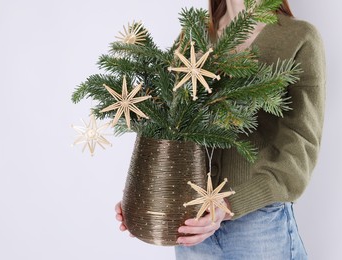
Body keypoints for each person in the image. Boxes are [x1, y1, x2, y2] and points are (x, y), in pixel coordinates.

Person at [115, 0, 326, 259]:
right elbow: (166, 123)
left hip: (259, 225)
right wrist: (146, 193)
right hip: (191, 223)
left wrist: (229, 204)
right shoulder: (193, 35)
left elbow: (301, 146)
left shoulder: (299, 37)